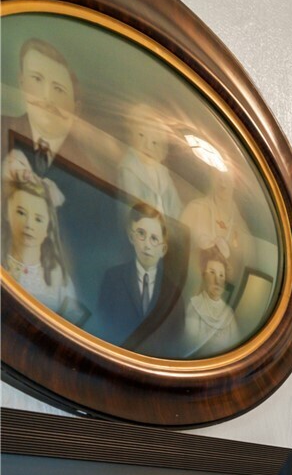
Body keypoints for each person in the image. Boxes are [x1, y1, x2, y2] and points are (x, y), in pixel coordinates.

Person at [1, 37, 117, 309]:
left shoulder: (98, 185)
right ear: (21, 82)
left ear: (76, 106)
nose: (46, 97)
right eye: (36, 80)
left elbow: (90, 275)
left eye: (58, 89)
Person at [92, 201, 182, 351]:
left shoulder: (174, 294)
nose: (147, 245)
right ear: (131, 237)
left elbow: (176, 344)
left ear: (163, 249)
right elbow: (101, 327)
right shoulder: (112, 278)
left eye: (154, 239)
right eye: (141, 234)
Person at [3, 172, 79, 318]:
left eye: (38, 219)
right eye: (21, 213)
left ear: (48, 228)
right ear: (7, 214)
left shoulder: (59, 279)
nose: (29, 225)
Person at [115, 103, 182, 223]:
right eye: (141, 136)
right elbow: (132, 206)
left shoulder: (163, 174)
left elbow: (176, 209)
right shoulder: (129, 169)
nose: (147, 146)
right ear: (131, 137)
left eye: (154, 142)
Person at [182, 250, 238, 357]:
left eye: (221, 275)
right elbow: (189, 344)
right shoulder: (194, 305)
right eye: (212, 272)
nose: (217, 281)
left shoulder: (229, 314)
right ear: (204, 276)